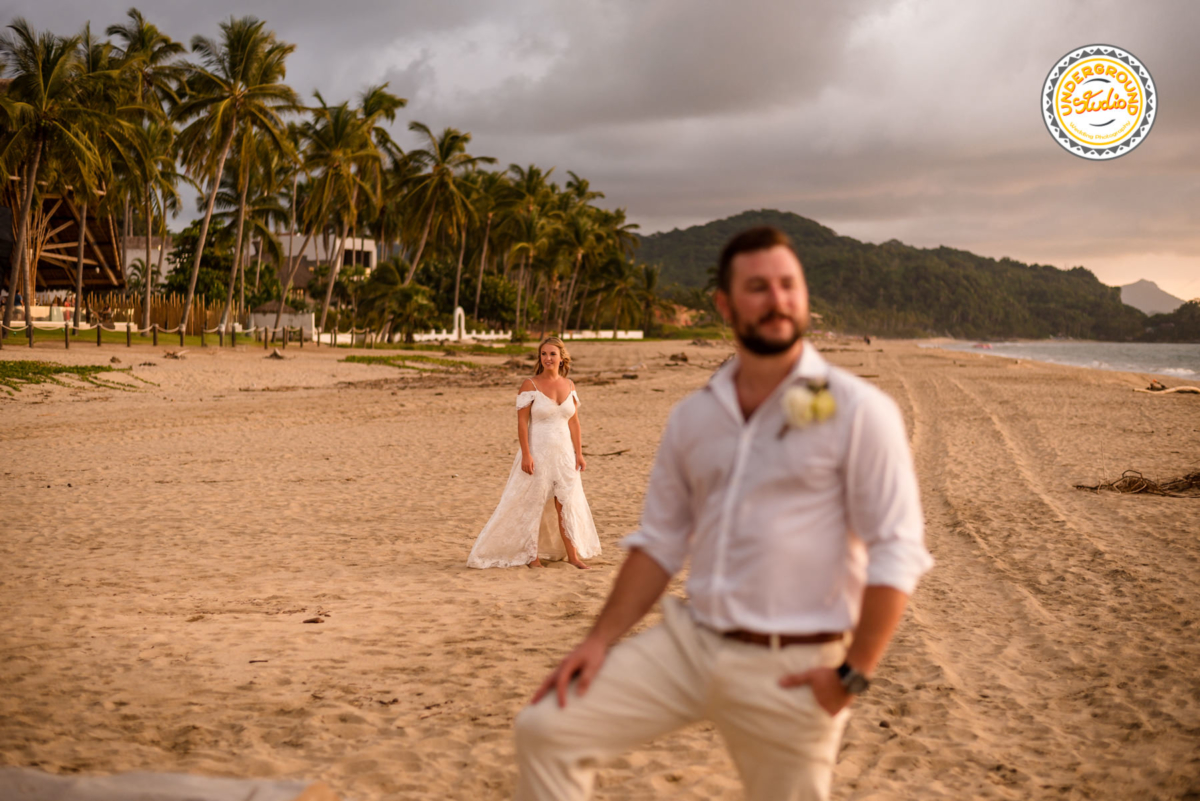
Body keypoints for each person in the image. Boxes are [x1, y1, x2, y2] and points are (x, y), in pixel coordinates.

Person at [513, 227, 933, 801]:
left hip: (798, 662)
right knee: (546, 729)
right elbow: (659, 545)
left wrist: (852, 675)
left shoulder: (860, 412)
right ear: (726, 305)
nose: (778, 299)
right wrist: (597, 640)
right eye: (758, 287)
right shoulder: (696, 418)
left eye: (789, 284)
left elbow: (898, 551)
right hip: (694, 643)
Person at [467, 336, 601, 570]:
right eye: (543, 354)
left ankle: (573, 556)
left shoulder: (570, 385)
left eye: (552, 354)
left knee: (566, 503)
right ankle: (532, 557)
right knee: (533, 503)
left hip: (564, 454)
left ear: (561, 358)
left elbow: (574, 423)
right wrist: (526, 455)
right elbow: (522, 424)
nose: (547, 358)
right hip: (538, 450)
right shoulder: (530, 385)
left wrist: (579, 453)